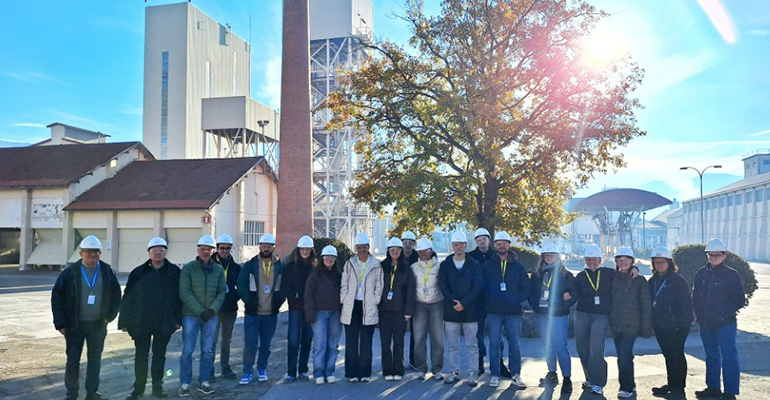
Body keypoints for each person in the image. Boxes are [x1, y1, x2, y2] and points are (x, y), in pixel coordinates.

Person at [51, 235, 122, 400]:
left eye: (96, 251)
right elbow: (57, 297)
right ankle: (72, 393)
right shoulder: (70, 273)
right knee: (73, 361)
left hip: (98, 324)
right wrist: (60, 323)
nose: (93, 255)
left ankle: (92, 392)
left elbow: (116, 296)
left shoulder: (107, 271)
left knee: (94, 361)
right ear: (81, 253)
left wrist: (108, 317)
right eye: (89, 251)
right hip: (75, 325)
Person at [120, 237, 182, 400]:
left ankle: (157, 387)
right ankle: (138, 389)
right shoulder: (138, 272)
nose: (158, 253)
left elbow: (179, 298)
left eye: (161, 250)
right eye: (155, 250)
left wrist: (178, 319)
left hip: (164, 321)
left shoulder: (174, 272)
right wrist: (124, 320)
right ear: (149, 252)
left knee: (159, 355)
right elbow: (128, 297)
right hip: (141, 322)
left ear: (166, 252)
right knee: (141, 355)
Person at [693, 239, 745, 400]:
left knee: (729, 356)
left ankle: (730, 392)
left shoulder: (731, 275)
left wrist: (723, 315)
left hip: (725, 324)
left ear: (724, 256)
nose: (714, 258)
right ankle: (713, 388)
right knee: (711, 356)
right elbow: (695, 297)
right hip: (706, 324)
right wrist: (699, 316)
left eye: (717, 255)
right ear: (707, 255)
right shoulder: (701, 273)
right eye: (710, 255)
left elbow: (739, 300)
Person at [178, 235, 226, 397]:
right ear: (198, 250)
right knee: (188, 350)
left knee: (207, 350)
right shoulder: (189, 268)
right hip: (191, 315)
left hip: (211, 316)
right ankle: (185, 383)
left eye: (209, 249)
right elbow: (184, 291)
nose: (206, 252)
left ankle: (204, 381)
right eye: (203, 249)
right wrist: (200, 311)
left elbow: (221, 291)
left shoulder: (218, 270)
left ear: (213, 251)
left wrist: (212, 310)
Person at [480, 231, 528, 389]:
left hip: (513, 311)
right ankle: (495, 375)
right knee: (494, 344)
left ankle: (516, 374)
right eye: (498, 243)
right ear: (495, 246)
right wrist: (490, 302)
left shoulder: (518, 267)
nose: (501, 246)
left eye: (504, 243)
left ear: (509, 245)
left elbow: (525, 289)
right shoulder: (487, 266)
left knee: (514, 344)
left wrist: (515, 299)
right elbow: (482, 287)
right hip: (494, 312)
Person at [237, 233, 284, 385]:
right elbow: (241, 283)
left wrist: (279, 302)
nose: (266, 248)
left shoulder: (280, 265)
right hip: (253, 313)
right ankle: (247, 371)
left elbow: (284, 287)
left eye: (269, 246)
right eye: (263, 246)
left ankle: (262, 368)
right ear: (259, 247)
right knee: (250, 344)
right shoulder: (250, 265)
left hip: (270, 313)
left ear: (273, 247)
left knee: (266, 345)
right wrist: (248, 300)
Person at [528, 242, 575, 395]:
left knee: (560, 346)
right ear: (542, 257)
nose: (549, 257)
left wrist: (567, 299)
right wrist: (536, 306)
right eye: (546, 255)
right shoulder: (537, 274)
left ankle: (567, 379)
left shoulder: (565, 274)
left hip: (558, 315)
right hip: (542, 314)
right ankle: (552, 373)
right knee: (547, 345)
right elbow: (531, 293)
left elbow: (572, 293)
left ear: (557, 257)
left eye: (552, 255)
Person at [648, 246, 693, 399]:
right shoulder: (652, 281)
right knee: (668, 355)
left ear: (669, 263)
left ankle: (679, 387)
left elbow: (686, 305)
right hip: (660, 325)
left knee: (677, 355)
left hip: (677, 326)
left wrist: (683, 325)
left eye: (662, 262)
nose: (659, 265)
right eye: (656, 262)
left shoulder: (677, 281)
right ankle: (671, 383)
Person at [439, 232, 482, 386]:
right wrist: (454, 302)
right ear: (452, 246)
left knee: (472, 345)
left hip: (470, 311)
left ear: (466, 245)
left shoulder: (474, 264)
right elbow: (443, 286)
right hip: (451, 311)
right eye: (455, 245)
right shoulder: (445, 264)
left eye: (461, 244)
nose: (458, 247)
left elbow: (477, 287)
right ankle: (454, 372)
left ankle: (473, 373)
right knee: (452, 345)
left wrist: (464, 303)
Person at [609, 247, 652, 398]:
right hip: (616, 325)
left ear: (632, 261)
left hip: (631, 325)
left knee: (624, 354)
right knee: (623, 356)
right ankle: (630, 383)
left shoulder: (639, 280)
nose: (623, 263)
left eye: (627, 260)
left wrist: (646, 328)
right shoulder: (613, 277)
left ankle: (625, 387)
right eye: (620, 260)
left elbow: (646, 304)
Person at [341, 232, 383, 382]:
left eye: (364, 247)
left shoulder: (376, 264)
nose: (361, 251)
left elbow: (379, 285)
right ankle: (351, 373)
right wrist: (344, 299)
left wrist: (375, 300)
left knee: (366, 341)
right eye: (359, 248)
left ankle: (365, 373)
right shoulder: (349, 263)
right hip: (352, 305)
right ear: (356, 248)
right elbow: (344, 283)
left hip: (368, 306)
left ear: (368, 247)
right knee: (351, 341)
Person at [469, 227, 509, 377]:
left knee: (497, 335)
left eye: (484, 239)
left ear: (489, 240)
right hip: (476, 302)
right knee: (477, 334)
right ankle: (479, 363)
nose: (481, 242)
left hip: (493, 302)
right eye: (478, 240)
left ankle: (499, 364)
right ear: (476, 242)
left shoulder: (497, 255)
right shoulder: (470, 257)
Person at [305, 245, 344, 385]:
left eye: (332, 258)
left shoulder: (339, 275)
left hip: (336, 313)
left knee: (333, 344)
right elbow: (308, 295)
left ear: (335, 260)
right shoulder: (315, 275)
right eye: (327, 257)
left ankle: (330, 371)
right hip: (319, 314)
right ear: (322, 259)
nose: (329, 259)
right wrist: (310, 315)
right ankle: (319, 372)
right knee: (320, 344)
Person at [378, 237, 416, 381]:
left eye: (397, 250)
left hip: (400, 310)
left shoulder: (407, 268)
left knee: (399, 340)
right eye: (392, 250)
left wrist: (408, 311)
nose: (395, 252)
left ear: (401, 251)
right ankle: (387, 369)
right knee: (385, 341)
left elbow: (410, 291)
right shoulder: (382, 267)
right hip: (384, 310)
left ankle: (398, 369)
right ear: (388, 251)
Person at [282, 235, 316, 382]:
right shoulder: (290, 266)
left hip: (310, 309)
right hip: (295, 308)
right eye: (302, 249)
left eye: (307, 249)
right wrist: (294, 295)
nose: (305, 251)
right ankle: (291, 372)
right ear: (298, 249)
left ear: (311, 250)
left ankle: (303, 370)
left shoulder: (315, 267)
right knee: (293, 340)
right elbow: (284, 287)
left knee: (307, 339)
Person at [410, 238, 445, 380]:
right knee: (419, 338)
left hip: (436, 304)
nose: (423, 253)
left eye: (425, 251)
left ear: (431, 251)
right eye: (420, 251)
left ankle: (436, 369)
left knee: (437, 338)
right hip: (419, 306)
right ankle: (421, 368)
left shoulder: (439, 266)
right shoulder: (413, 267)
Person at [210, 234, 241, 381]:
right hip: (213, 309)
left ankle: (225, 367)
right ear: (217, 248)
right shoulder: (208, 264)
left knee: (226, 340)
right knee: (211, 340)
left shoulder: (235, 267)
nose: (225, 251)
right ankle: (209, 369)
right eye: (222, 248)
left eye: (228, 248)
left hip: (229, 308)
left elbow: (241, 286)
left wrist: (234, 298)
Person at [401, 230, 419, 369]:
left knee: (416, 333)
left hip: (416, 300)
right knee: (398, 333)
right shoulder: (396, 257)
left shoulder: (419, 258)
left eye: (410, 243)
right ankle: (398, 360)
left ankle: (414, 360)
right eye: (405, 243)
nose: (407, 245)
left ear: (414, 244)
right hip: (400, 300)